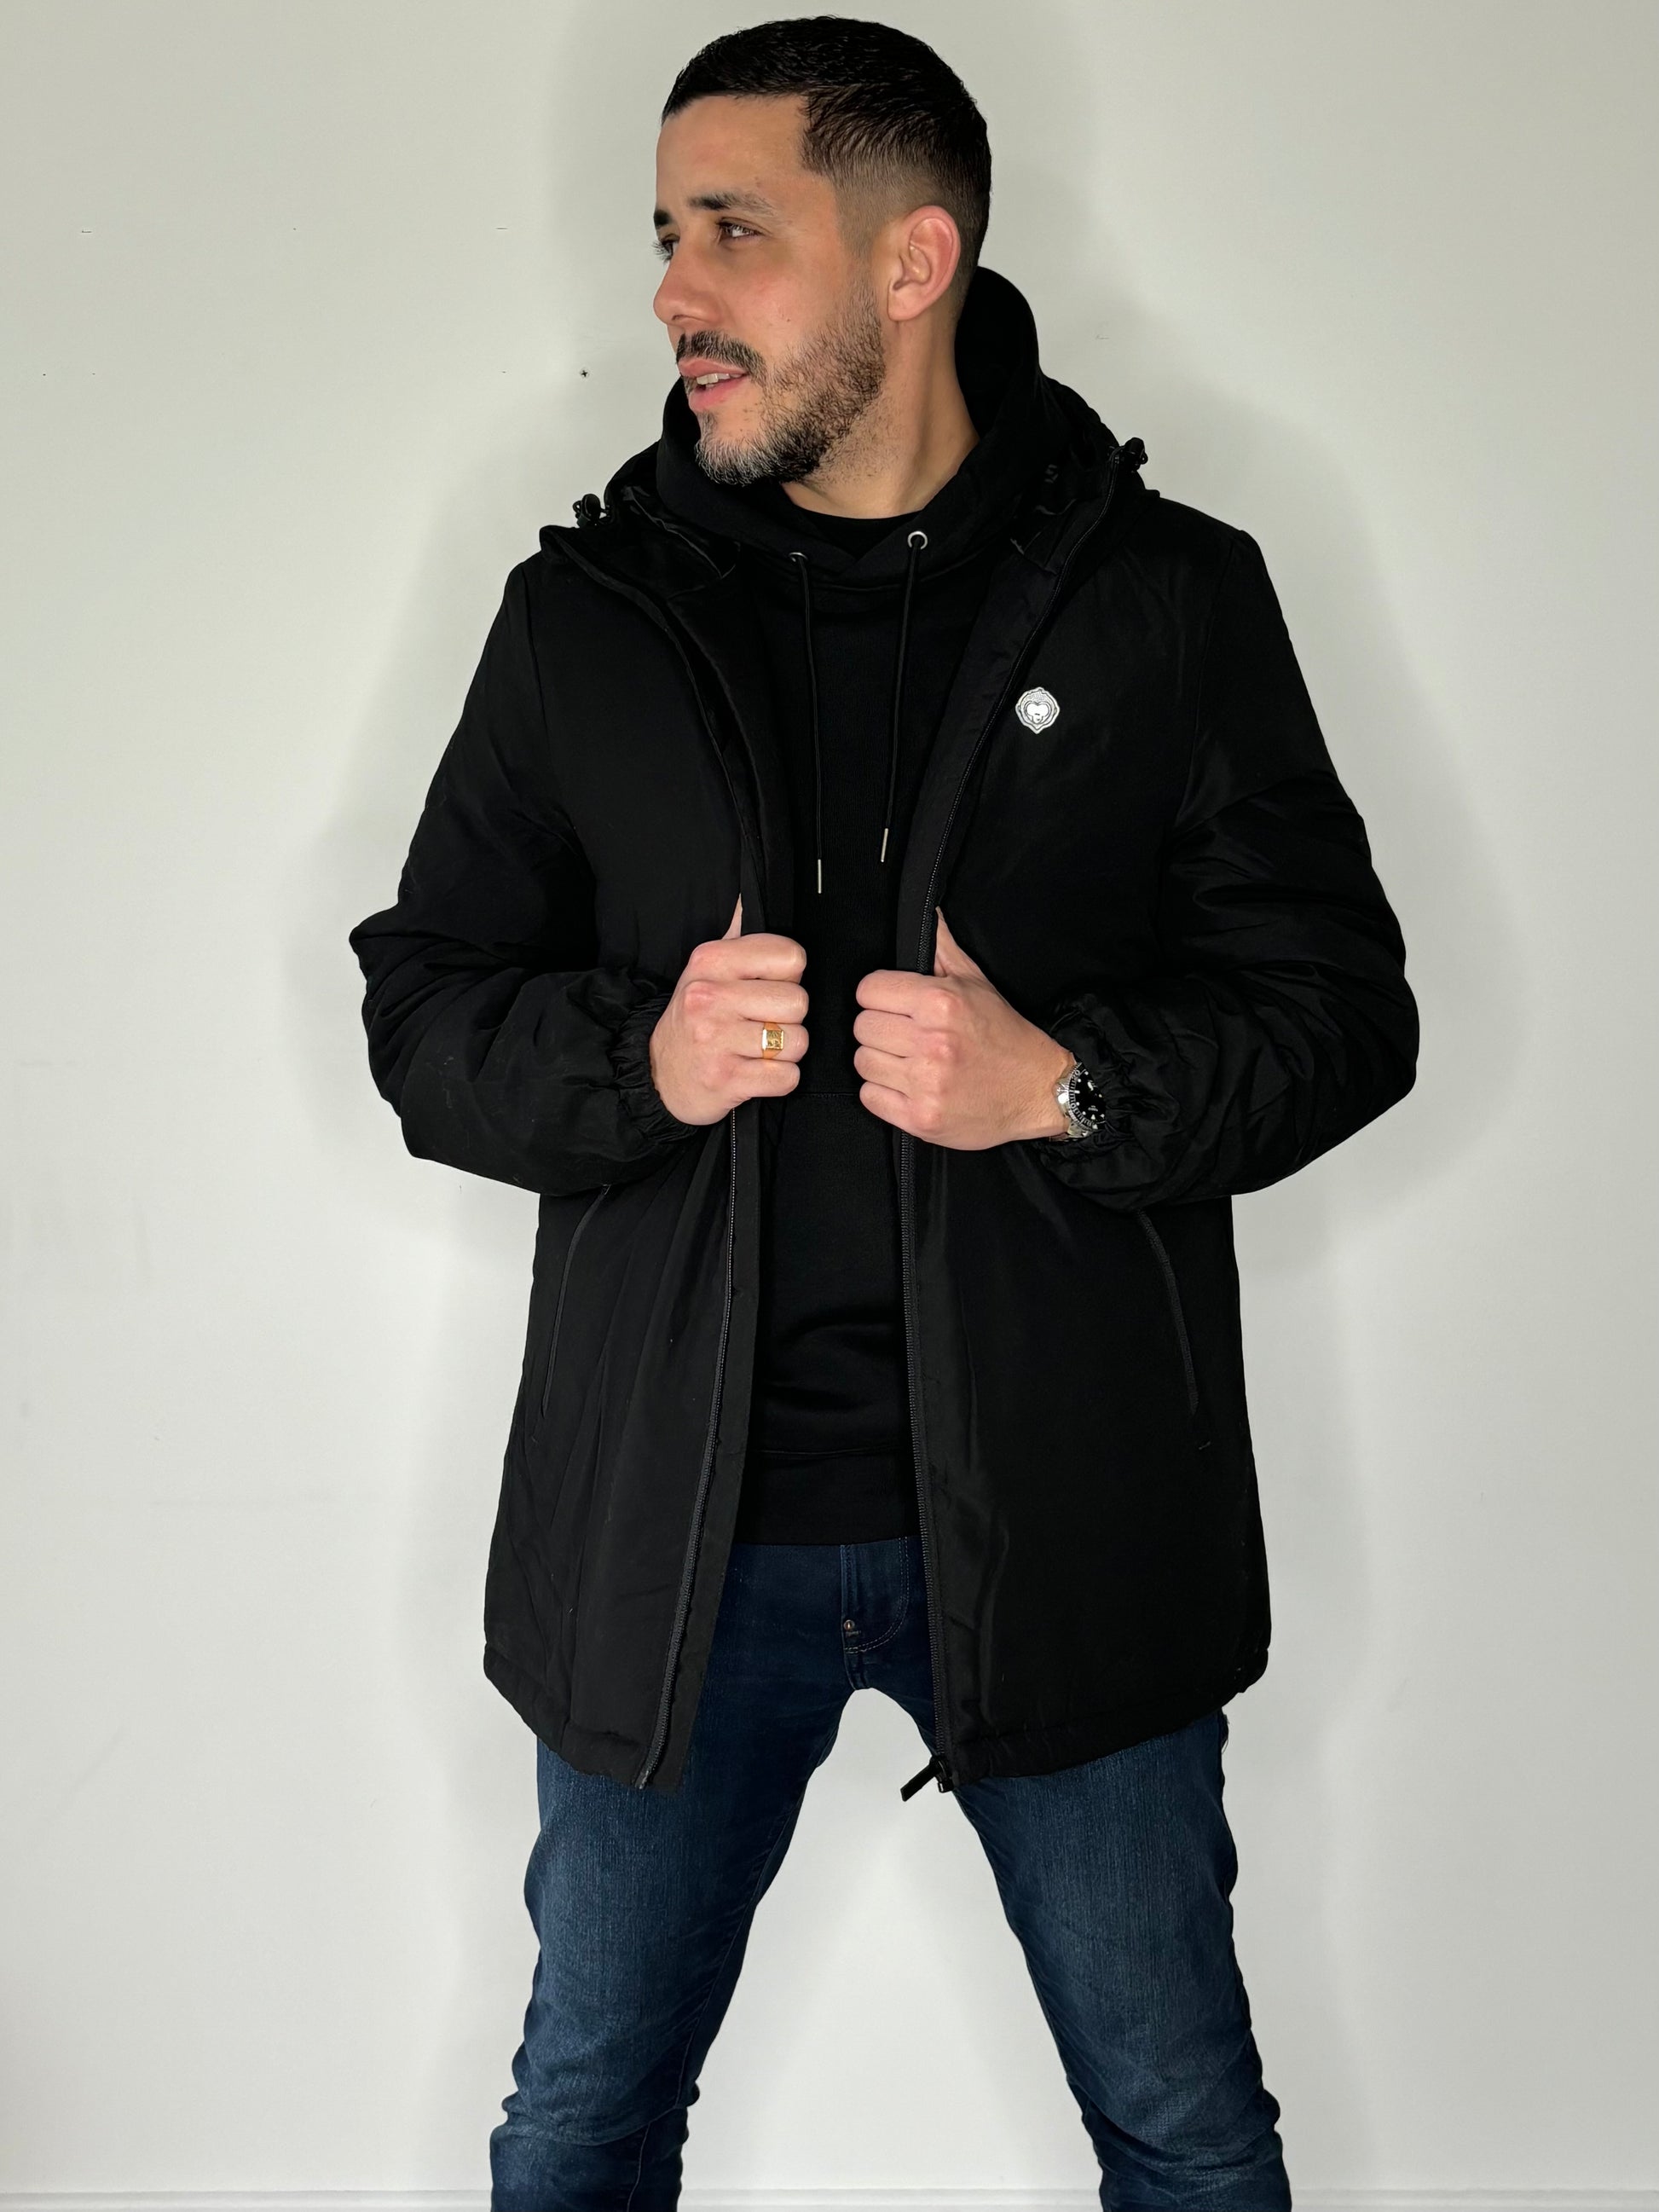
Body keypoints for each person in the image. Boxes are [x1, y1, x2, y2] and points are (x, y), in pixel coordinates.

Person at [350, 16, 1418, 2207]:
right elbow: (423, 1003)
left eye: (732, 232)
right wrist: (637, 1060)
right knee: (579, 2124)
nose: (671, 291)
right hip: (672, 1547)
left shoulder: (1167, 600)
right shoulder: (584, 620)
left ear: (911, 259)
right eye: (665, 234)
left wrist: (1068, 1086)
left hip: (1063, 1529)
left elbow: (1341, 1011)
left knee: (1185, 2129)